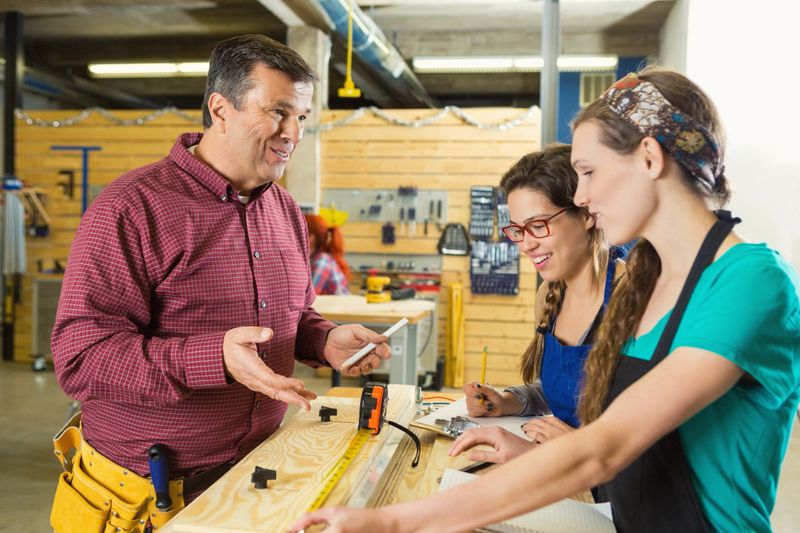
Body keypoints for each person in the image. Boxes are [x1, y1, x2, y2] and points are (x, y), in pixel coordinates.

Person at [289, 68, 800, 533]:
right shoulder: (652, 280)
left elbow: (605, 449)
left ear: (649, 157)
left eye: (590, 171)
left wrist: (392, 523)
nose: (580, 196)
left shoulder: (750, 281)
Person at [49, 35, 392, 532]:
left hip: (257, 473)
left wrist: (323, 338)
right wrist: (214, 358)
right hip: (148, 496)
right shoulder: (131, 208)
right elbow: (82, 359)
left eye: (301, 117)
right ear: (220, 108)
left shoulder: (286, 211)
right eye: (277, 111)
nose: (292, 133)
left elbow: (291, 315)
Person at [461, 145, 625, 464]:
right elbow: (565, 394)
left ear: (587, 213)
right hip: (564, 472)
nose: (526, 245)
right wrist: (508, 402)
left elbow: (659, 426)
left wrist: (580, 446)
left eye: (537, 226)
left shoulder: (633, 297)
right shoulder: (549, 295)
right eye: (518, 230)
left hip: (615, 491)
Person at [305, 214, 351, 295]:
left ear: (310, 237)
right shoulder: (314, 259)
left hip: (340, 307)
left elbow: (308, 297)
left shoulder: (322, 260)